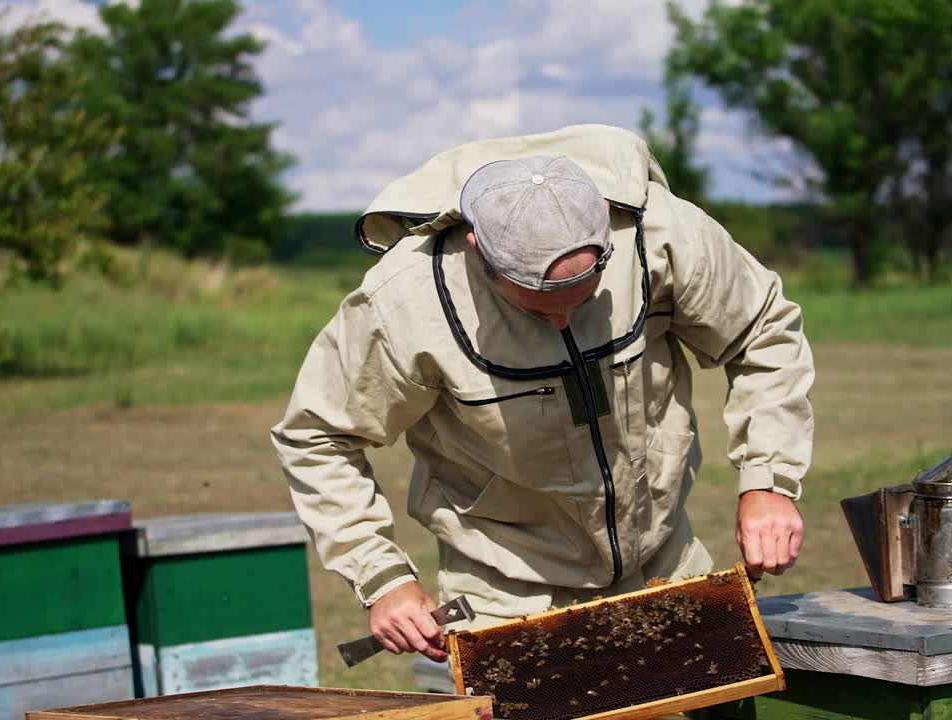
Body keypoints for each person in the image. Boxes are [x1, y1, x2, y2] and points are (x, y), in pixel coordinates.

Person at [271, 124, 814, 664]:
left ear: (604, 225)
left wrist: (769, 480)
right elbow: (318, 436)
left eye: (582, 300)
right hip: (506, 592)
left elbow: (762, 330)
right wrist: (382, 577)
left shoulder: (663, 235)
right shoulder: (402, 305)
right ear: (478, 250)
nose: (560, 320)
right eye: (534, 305)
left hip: (666, 563)